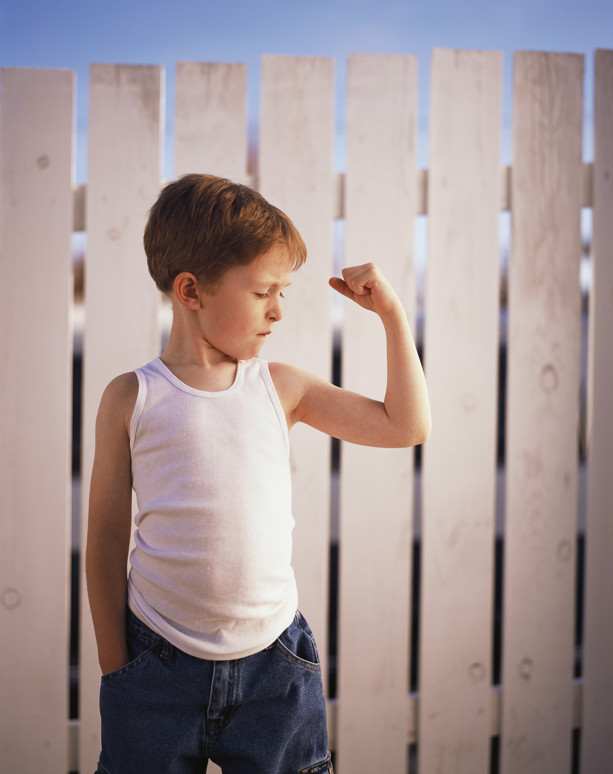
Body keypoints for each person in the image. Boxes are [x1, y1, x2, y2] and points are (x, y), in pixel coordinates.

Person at [86, 173, 431, 774]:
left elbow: (405, 426)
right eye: (262, 292)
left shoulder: (281, 388)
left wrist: (392, 316)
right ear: (190, 290)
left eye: (284, 292)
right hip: (155, 666)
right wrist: (119, 671)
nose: (277, 312)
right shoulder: (130, 399)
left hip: (276, 667)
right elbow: (107, 539)